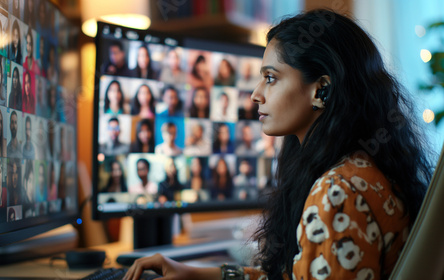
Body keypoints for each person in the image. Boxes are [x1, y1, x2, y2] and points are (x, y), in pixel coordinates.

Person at [124, 10, 433, 280]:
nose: (255, 94)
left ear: (321, 91)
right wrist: (194, 273)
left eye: (270, 78)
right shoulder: (363, 167)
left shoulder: (338, 192)